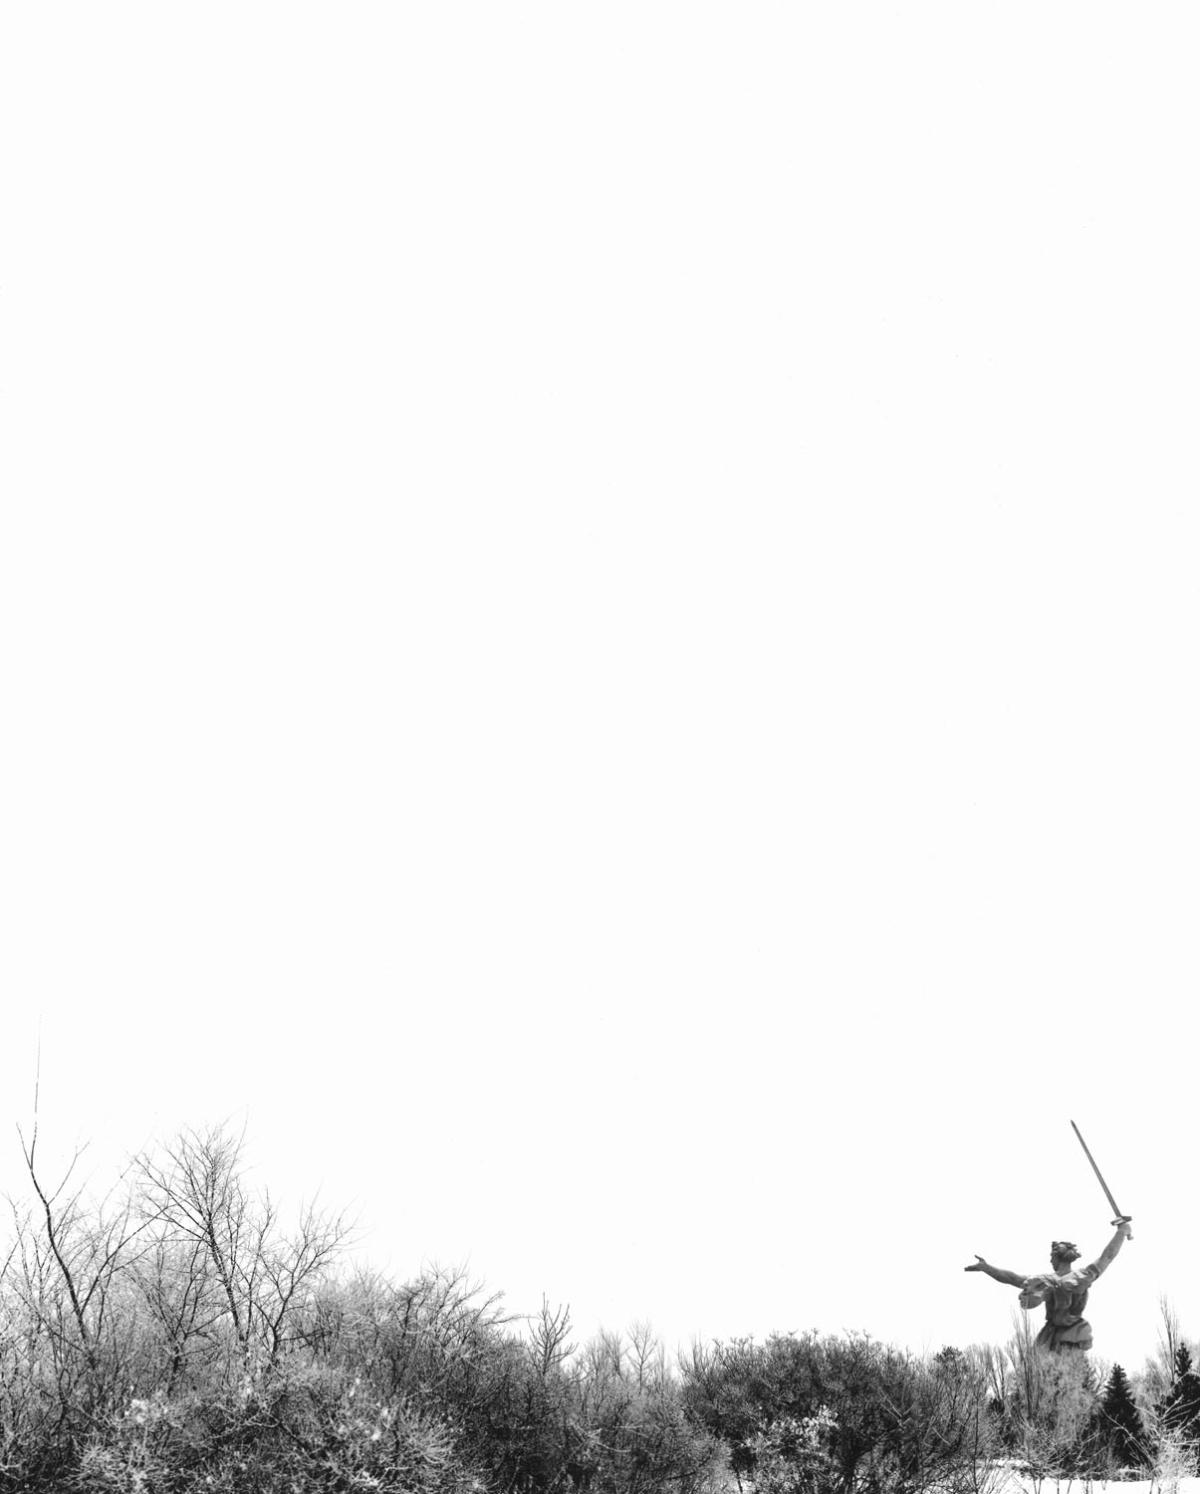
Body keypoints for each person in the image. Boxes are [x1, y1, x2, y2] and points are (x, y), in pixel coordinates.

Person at [964, 1218, 1133, 1351]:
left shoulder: (1066, 1277)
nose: (1050, 1260)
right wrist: (1122, 1232)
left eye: (1052, 1257)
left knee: (1062, 1377)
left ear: (1057, 1257)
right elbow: (1107, 1257)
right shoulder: (1074, 1276)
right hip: (1056, 1334)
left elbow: (1012, 1278)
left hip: (1068, 1334)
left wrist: (1121, 1233)